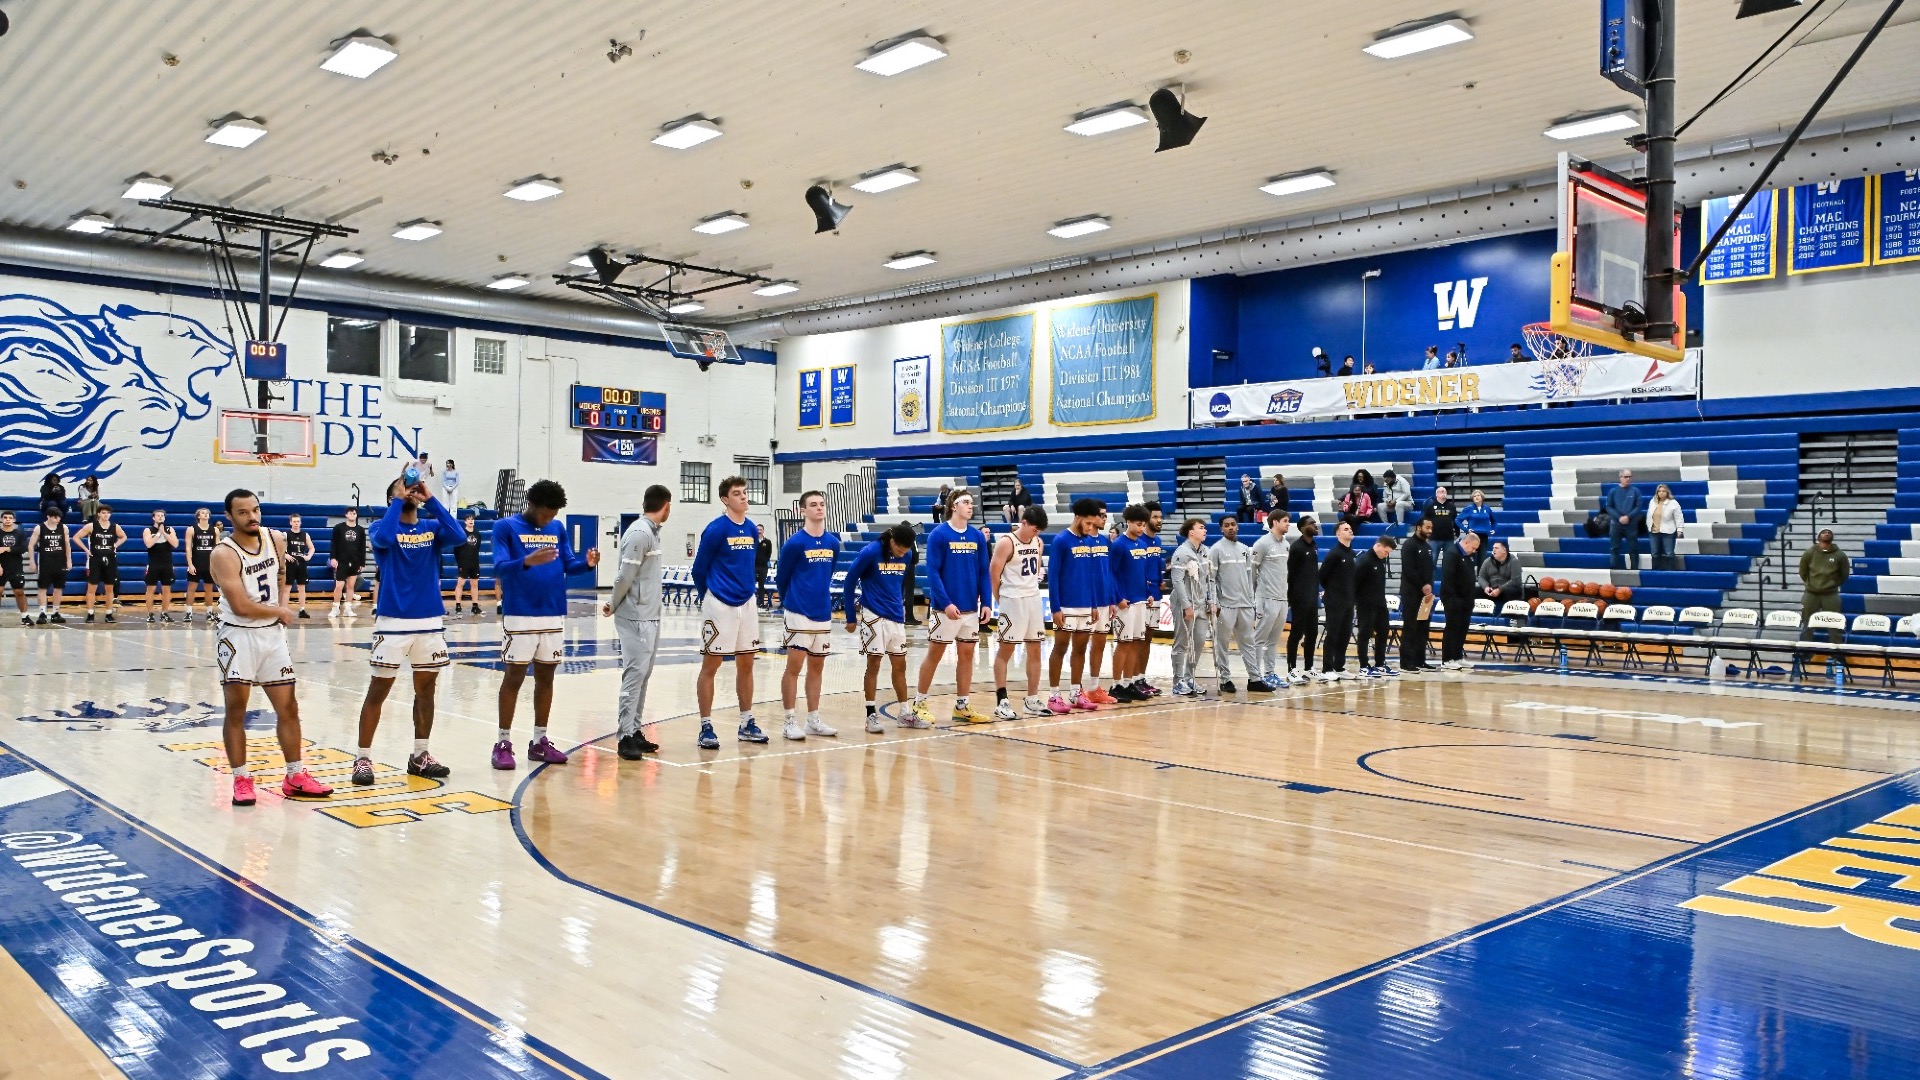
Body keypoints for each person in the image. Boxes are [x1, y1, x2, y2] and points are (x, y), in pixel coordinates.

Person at [210, 489, 332, 805]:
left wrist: (280, 606)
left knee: (288, 707)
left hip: (271, 635)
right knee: (236, 710)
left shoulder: (276, 539)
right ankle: (241, 779)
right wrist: (278, 611)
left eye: (255, 510)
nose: (252, 517)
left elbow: (281, 577)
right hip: (238, 636)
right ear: (229, 516)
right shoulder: (223, 554)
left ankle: (295, 775)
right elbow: (240, 606)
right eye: (243, 512)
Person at [353, 474, 465, 786]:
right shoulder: (381, 527)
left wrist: (431, 500)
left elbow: (458, 535)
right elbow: (384, 541)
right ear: (392, 498)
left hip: (429, 622)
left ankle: (420, 755)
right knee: (378, 691)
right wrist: (398, 501)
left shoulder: (431, 527)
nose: (410, 492)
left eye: (413, 489)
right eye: (403, 490)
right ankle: (362, 758)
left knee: (426, 691)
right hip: (392, 622)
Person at [492, 479, 599, 768]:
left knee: (547, 678)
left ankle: (540, 741)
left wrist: (587, 564)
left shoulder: (557, 528)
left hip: (552, 613)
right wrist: (527, 561)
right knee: (513, 678)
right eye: (545, 513)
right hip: (520, 613)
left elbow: (569, 564)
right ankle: (503, 743)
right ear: (532, 504)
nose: (549, 518)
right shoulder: (505, 527)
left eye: (554, 514)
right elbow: (499, 567)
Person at [691, 476, 765, 748]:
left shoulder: (751, 529)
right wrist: (710, 596)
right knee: (711, 665)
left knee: (747, 663)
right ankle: (706, 727)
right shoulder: (715, 529)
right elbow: (699, 570)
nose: (744, 496)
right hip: (719, 603)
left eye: (745, 492)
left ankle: (746, 722)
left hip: (747, 602)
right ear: (725, 499)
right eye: (737, 493)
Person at [912, 489, 994, 725]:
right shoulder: (939, 534)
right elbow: (933, 572)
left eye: (971, 502)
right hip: (944, 609)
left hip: (970, 609)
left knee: (967, 656)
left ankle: (962, 706)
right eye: (965, 502)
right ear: (953, 506)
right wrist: (946, 602)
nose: (970, 506)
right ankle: (919, 703)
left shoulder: (977, 536)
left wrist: (987, 602)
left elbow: (983, 572)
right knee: (935, 654)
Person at [605, 485, 672, 758]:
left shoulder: (652, 533)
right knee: (634, 676)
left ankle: (634, 730)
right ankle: (624, 736)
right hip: (635, 616)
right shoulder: (640, 533)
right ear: (666, 506)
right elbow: (625, 576)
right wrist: (613, 602)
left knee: (643, 676)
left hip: (650, 615)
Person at [775, 491, 841, 741]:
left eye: (822, 504)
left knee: (817, 667)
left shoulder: (832, 542)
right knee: (794, 667)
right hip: (798, 611)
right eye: (813, 505)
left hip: (822, 611)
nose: (819, 508)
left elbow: (828, 572)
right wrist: (791, 602)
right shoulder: (794, 543)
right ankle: (789, 720)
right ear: (802, 510)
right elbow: (782, 577)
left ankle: (813, 719)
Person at [845, 523, 917, 733]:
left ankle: (904, 712)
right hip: (874, 614)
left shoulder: (908, 554)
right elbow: (850, 581)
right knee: (874, 664)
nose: (902, 554)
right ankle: (870, 715)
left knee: (900, 666)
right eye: (899, 550)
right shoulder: (870, 552)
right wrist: (851, 616)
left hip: (896, 615)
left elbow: (898, 583)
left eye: (905, 551)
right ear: (892, 540)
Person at [989, 506, 1051, 719]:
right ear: (1023, 523)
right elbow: (994, 574)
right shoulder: (1006, 542)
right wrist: (1001, 600)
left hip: (1033, 599)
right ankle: (1002, 700)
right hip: (1012, 600)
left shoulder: (1038, 542)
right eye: (1034, 529)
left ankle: (1031, 699)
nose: (1037, 533)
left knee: (1035, 650)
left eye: (1039, 530)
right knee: (1005, 650)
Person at [1047, 498, 1108, 713]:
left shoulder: (1089, 541)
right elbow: (1053, 577)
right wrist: (1055, 608)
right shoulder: (1061, 540)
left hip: (1086, 604)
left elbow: (1091, 575)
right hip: (1066, 605)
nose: (1090, 528)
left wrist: (1093, 604)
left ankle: (1075, 692)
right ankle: (1054, 695)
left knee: (1080, 649)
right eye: (1088, 523)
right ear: (1078, 518)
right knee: (1060, 648)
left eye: (1093, 524)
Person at [1107, 504, 1160, 702]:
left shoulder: (1143, 545)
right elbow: (1111, 574)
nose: (1141, 528)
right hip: (1125, 603)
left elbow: (1142, 573)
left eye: (1143, 525)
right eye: (1138, 524)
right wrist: (1118, 598)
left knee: (1136, 643)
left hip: (1140, 601)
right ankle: (1115, 685)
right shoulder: (1119, 545)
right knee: (1124, 644)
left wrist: (1148, 593)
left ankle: (1129, 683)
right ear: (1128, 522)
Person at [1209, 515, 1263, 694]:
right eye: (1226, 525)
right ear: (1221, 529)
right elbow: (1211, 579)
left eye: (1233, 524)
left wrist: (1252, 601)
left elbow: (1249, 578)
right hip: (1226, 606)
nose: (1230, 527)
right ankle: (1225, 679)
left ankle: (1255, 679)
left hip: (1245, 605)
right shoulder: (1216, 550)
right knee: (1222, 643)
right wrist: (1215, 602)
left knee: (1249, 642)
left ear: (1238, 526)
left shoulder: (1245, 549)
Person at [1168, 517, 1215, 696]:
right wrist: (1186, 606)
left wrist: (1212, 601)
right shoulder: (1182, 552)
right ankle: (1178, 681)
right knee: (1182, 642)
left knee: (1199, 642)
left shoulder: (1206, 552)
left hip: (1201, 604)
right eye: (1201, 527)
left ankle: (1189, 677)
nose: (1205, 530)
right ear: (1191, 532)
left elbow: (1210, 580)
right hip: (1185, 604)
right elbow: (1177, 581)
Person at [1248, 510, 1292, 691]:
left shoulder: (1286, 544)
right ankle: (1255, 676)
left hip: (1282, 598)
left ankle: (1270, 673)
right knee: (1259, 639)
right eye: (1285, 521)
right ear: (1275, 522)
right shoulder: (1262, 543)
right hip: (1266, 598)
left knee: (1274, 640)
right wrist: (1253, 596)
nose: (1288, 524)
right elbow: (1251, 571)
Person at [1317, 521, 1357, 681]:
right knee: (1333, 634)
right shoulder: (1334, 554)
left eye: (1350, 528)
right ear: (1338, 534)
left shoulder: (1352, 554)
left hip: (1349, 601)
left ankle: (1339, 667)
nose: (1350, 531)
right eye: (1346, 529)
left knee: (1345, 634)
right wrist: (1333, 590)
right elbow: (1322, 576)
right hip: (1334, 601)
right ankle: (1327, 668)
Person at [1354, 535, 1398, 678]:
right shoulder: (1365, 561)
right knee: (1365, 634)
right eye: (1386, 551)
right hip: (1366, 604)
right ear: (1378, 546)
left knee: (1384, 631)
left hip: (1380, 603)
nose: (1387, 554)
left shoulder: (1380, 561)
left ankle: (1380, 664)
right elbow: (1354, 583)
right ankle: (1363, 666)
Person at [1284, 515, 1322, 684]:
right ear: (1302, 528)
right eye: (1311, 524)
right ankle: (1291, 669)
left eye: (1314, 523)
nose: (1315, 525)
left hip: (1312, 597)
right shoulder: (1296, 548)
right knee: (1296, 633)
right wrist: (1291, 597)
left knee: (1312, 633)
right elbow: (1290, 575)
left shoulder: (1314, 546)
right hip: (1299, 598)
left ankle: (1308, 668)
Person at [73, 505, 126, 623]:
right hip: (95, 559)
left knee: (109, 588)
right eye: (103, 512)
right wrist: (86, 550)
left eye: (108, 513)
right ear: (98, 514)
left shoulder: (115, 526)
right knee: (92, 588)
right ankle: (90, 614)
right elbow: (76, 537)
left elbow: (124, 537)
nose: (106, 515)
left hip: (110, 559)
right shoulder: (91, 526)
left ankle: (109, 614)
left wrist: (115, 545)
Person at [1798, 529, 1850, 645]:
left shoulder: (1840, 555)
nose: (1827, 534)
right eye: (1824, 532)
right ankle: (1805, 649)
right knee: (1807, 623)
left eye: (1829, 532)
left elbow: (1844, 574)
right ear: (1818, 537)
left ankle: (1836, 650)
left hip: (1831, 594)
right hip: (1811, 593)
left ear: (1832, 536)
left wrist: (1833, 584)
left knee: (1835, 624)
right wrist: (1811, 584)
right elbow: (1803, 572)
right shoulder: (1809, 553)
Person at [1439, 531, 1482, 669]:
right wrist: (1453, 598)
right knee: (1452, 627)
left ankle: (1457, 656)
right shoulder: (1452, 553)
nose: (1474, 551)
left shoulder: (1469, 556)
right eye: (1473, 548)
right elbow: (1448, 578)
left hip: (1466, 598)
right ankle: (1447, 659)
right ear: (1466, 542)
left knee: (1462, 628)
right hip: (1453, 598)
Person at [1399, 517, 1436, 672]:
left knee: (1423, 627)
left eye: (1431, 528)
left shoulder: (1427, 547)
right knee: (1410, 627)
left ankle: (1420, 660)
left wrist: (1429, 587)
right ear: (1418, 527)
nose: (1430, 530)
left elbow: (1430, 570)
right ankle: (1406, 662)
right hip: (1411, 593)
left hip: (1425, 595)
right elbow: (1409, 569)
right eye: (1427, 527)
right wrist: (1423, 585)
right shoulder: (1409, 545)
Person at [28, 509, 70, 624]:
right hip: (45, 561)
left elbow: (67, 544)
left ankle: (56, 612)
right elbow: (31, 545)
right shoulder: (39, 528)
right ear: (48, 517)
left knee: (58, 587)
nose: (58, 519)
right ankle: (42, 613)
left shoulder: (63, 528)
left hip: (60, 561)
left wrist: (69, 560)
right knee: (42, 587)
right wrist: (32, 561)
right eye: (55, 517)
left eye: (59, 517)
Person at [184, 507, 221, 622]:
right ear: (198, 516)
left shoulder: (215, 530)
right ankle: (189, 613)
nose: (205, 514)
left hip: (209, 564)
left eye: (207, 513)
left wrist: (217, 564)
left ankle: (209, 613)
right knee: (191, 588)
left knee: (209, 589)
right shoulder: (191, 529)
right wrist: (190, 564)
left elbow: (218, 548)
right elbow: (188, 548)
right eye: (203, 513)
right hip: (196, 563)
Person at [142, 508, 179, 623]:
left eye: (162, 516)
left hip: (167, 563)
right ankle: (150, 614)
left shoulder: (170, 529)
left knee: (167, 589)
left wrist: (164, 533)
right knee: (151, 589)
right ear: (153, 518)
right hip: (153, 563)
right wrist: (159, 533)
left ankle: (164, 613)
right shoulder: (148, 530)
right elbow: (149, 544)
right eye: (158, 515)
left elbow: (175, 544)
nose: (160, 517)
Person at [1602, 469, 1644, 570]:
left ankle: (1634, 570)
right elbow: (1608, 507)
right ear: (1620, 478)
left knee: (1633, 548)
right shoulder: (1613, 491)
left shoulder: (1636, 491)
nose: (1628, 479)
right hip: (1616, 524)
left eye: (1629, 477)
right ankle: (1614, 569)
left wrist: (1628, 517)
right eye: (1625, 477)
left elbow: (1638, 507)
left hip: (1631, 524)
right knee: (1614, 548)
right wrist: (1619, 517)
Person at [330, 507, 367, 617]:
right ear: (346, 515)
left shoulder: (360, 530)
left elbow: (362, 547)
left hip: (355, 561)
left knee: (351, 586)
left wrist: (362, 563)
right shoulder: (339, 528)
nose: (352, 515)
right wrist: (333, 558)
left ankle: (348, 608)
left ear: (356, 515)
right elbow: (333, 544)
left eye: (354, 513)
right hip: (342, 561)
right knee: (339, 585)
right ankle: (335, 608)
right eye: (350, 513)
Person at [281, 513, 313, 618]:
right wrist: (285, 555)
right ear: (290, 522)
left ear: (300, 522)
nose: (296, 523)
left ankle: (302, 610)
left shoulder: (305, 535)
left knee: (302, 587)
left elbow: (312, 548)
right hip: (290, 564)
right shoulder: (286, 534)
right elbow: (279, 547)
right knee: (287, 587)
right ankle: (284, 610)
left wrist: (308, 556)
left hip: (301, 564)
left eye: (298, 521)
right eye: (294, 521)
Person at [0, 510, 28, 625]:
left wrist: (7, 548)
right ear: (1, 519)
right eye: (5, 517)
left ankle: (25, 617)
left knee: (19, 591)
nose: (7, 520)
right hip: (1, 566)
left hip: (16, 566)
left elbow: (23, 548)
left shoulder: (20, 533)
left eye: (10, 518)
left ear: (14, 520)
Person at [1648, 484, 1684, 571]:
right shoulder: (1653, 501)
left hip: (1668, 531)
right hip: (1654, 531)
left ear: (1667, 492)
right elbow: (1649, 516)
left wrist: (1680, 529)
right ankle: (1655, 572)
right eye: (1659, 491)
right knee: (1654, 553)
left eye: (1663, 491)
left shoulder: (1673, 503)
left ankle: (1670, 572)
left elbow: (1679, 517)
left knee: (1669, 553)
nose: (1661, 493)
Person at [453, 513, 483, 615]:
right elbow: (456, 549)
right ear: (465, 521)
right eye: (469, 519)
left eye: (472, 519)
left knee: (475, 583)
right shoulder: (461, 533)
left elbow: (477, 548)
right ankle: (458, 606)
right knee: (460, 583)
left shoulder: (477, 533)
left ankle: (475, 606)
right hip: (463, 562)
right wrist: (459, 562)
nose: (471, 521)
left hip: (474, 562)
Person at [1478, 540, 1523, 607]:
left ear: (1504, 550)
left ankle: (1508, 611)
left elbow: (1515, 580)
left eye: (1496, 548)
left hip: (1507, 589)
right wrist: (1486, 587)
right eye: (1493, 548)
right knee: (1477, 589)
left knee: (1510, 590)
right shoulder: (1487, 561)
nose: (1493, 550)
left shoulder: (1514, 562)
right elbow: (1481, 577)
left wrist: (1500, 589)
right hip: (1492, 588)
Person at [1422, 485, 1458, 567]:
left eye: (1444, 491)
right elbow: (1425, 522)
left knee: (1449, 563)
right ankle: (1430, 576)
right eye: (1440, 491)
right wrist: (1425, 535)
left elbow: (1456, 521)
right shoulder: (1430, 507)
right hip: (1434, 538)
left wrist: (1457, 533)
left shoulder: (1452, 507)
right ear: (1436, 494)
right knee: (1431, 562)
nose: (1443, 493)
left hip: (1449, 539)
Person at [1459, 490, 1496, 567]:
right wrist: (1466, 529)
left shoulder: (1487, 508)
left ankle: (1481, 574)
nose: (1476, 497)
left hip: (1484, 536)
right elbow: (1457, 520)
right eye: (1474, 496)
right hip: (1472, 536)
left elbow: (1494, 521)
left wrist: (1493, 529)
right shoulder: (1468, 509)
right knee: (1470, 558)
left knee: (1482, 559)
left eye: (1478, 495)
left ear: (1482, 497)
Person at [900, 523, 922, 626]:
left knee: (898, 593)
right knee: (909, 594)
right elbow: (915, 557)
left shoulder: (897, 540)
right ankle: (909, 617)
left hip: (898, 568)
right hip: (909, 569)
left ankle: (897, 616)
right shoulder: (911, 540)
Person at [753, 524, 774, 609]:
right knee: (751, 584)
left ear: (763, 531)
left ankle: (761, 603)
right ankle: (751, 603)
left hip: (763, 567)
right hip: (753, 566)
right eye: (757, 529)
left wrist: (764, 561)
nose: (759, 531)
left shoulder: (767, 542)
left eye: (760, 529)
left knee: (761, 585)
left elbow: (769, 553)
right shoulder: (753, 541)